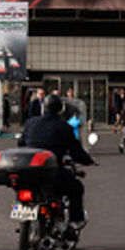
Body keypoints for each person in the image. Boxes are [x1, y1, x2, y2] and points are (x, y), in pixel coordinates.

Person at [19, 94, 95, 226]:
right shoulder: (64, 127)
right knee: (76, 188)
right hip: (52, 173)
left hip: (28, 172)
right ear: (60, 109)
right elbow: (76, 151)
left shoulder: (30, 123)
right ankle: (74, 222)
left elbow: (21, 143)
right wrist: (88, 160)